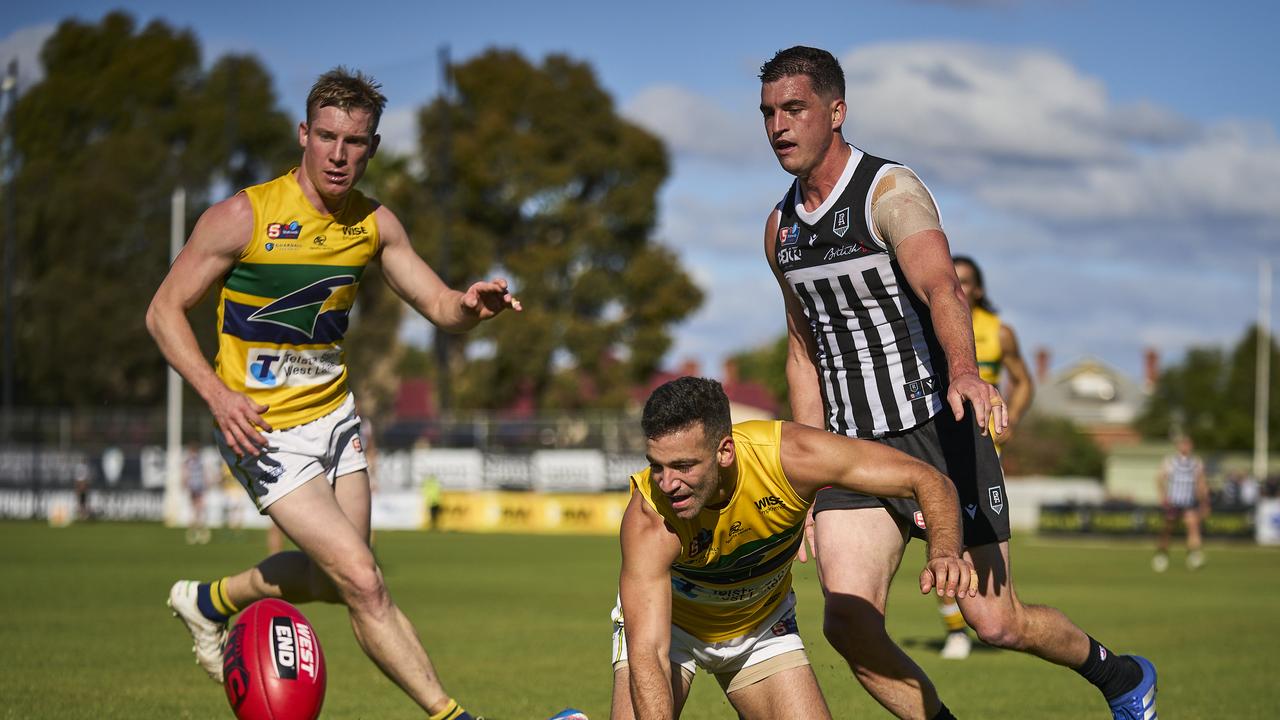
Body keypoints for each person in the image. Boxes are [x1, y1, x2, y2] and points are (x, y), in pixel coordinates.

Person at [758, 46, 1155, 719]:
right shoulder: (780, 229)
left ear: (836, 110)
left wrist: (966, 372)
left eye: (794, 108)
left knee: (994, 622)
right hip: (855, 449)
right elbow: (804, 353)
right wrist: (806, 471)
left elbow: (942, 286)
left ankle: (1118, 676)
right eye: (768, 113)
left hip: (939, 433)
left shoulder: (889, 192)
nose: (778, 126)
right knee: (848, 625)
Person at [146, 67, 520, 720]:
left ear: (372, 147)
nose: (339, 154)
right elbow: (163, 312)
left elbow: (437, 302)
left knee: (335, 580)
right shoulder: (244, 215)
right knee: (366, 582)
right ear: (304, 134)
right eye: (327, 137)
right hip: (262, 430)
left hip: (337, 421)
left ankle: (208, 601)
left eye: (355, 141)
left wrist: (470, 306)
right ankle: (451, 715)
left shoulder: (374, 223)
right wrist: (216, 394)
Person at [611, 377, 977, 720]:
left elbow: (926, 478)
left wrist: (944, 551)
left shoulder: (789, 457)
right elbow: (650, 652)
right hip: (672, 626)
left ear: (724, 452)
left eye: (683, 466)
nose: (667, 483)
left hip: (759, 626)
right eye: (656, 466)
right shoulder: (650, 515)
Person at [935, 255, 1035, 660]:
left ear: (977, 289)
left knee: (980, 545)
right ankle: (955, 630)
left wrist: (1010, 419)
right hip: (939, 446)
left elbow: (1024, 381)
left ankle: (994, 618)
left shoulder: (1000, 333)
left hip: (984, 450)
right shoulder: (930, 327)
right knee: (943, 538)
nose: (959, 286)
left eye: (966, 281)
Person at [1153, 435, 1210, 571]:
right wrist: (1163, 496)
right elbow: (1159, 478)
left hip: (1189, 502)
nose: (1185, 447)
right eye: (1183, 444)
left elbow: (1201, 483)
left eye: (1188, 444)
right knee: (1168, 529)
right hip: (1173, 502)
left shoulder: (1196, 463)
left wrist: (1204, 502)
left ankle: (1194, 555)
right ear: (1178, 446)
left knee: (1193, 526)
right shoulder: (1170, 462)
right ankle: (1162, 554)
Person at [183, 443, 211, 545]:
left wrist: (185, 481)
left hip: (196, 485)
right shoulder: (194, 461)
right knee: (197, 508)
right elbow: (186, 473)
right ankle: (196, 530)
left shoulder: (193, 461)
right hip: (195, 486)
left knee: (197, 508)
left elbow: (186, 473)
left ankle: (196, 530)